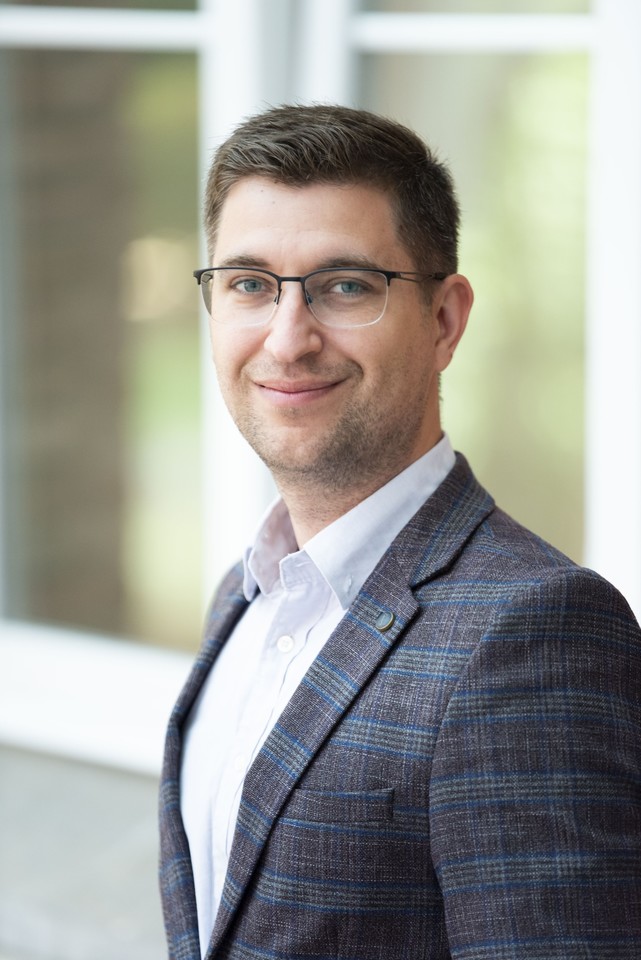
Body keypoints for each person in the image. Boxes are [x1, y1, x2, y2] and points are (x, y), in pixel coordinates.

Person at [159, 104, 641, 960]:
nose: (287, 339)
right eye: (249, 284)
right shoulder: (246, 594)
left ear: (444, 320)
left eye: (346, 285)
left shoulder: (536, 631)